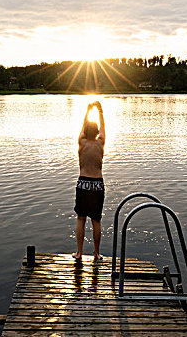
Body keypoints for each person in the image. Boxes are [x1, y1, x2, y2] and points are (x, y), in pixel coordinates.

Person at [73, 101, 105, 261]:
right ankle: (96, 253)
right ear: (97, 132)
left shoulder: (82, 143)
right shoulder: (101, 143)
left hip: (83, 183)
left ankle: (79, 253)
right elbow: (103, 130)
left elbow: (83, 128)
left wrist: (87, 111)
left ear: (85, 132)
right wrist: (100, 111)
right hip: (97, 184)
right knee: (96, 220)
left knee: (81, 218)